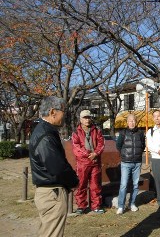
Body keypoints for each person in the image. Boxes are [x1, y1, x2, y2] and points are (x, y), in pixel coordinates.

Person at [29, 96, 79, 237]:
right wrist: (74, 181)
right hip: (52, 193)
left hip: (50, 192)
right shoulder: (45, 134)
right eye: (64, 111)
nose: (65, 115)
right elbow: (57, 167)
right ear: (53, 112)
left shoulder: (45, 130)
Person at [72, 110, 105, 214]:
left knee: (95, 185)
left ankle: (96, 206)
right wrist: (88, 154)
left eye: (88, 117)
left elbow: (101, 143)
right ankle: (81, 206)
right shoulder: (76, 132)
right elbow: (76, 147)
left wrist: (95, 153)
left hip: (95, 162)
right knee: (81, 185)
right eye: (84, 118)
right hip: (82, 163)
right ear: (80, 119)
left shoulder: (97, 130)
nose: (87, 120)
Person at [116, 114, 145, 214]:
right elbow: (118, 145)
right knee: (123, 185)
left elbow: (143, 145)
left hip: (137, 163)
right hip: (126, 163)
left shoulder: (140, 133)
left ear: (136, 122)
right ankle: (121, 206)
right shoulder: (123, 133)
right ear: (127, 122)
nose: (132, 122)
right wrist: (125, 155)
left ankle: (132, 203)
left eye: (133, 120)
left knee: (135, 185)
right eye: (130, 121)